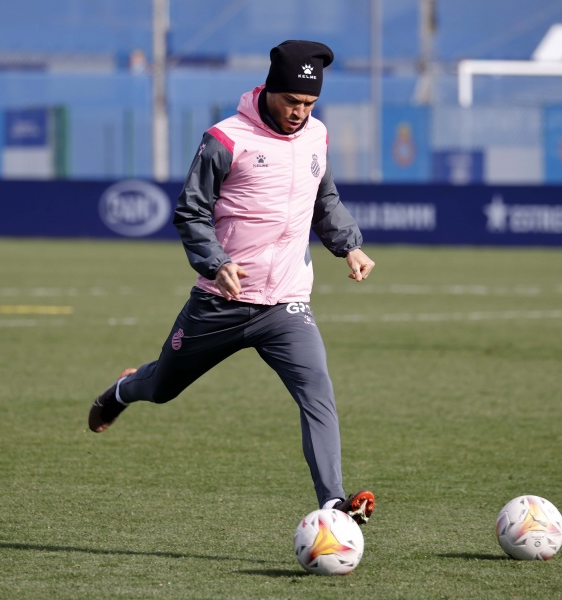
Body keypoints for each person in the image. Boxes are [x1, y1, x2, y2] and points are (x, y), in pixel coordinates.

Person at [88, 40, 376, 525]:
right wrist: (216, 262)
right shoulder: (225, 139)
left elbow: (323, 200)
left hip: (286, 304)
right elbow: (191, 211)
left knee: (318, 394)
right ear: (269, 90)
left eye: (309, 103)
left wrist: (350, 245)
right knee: (161, 387)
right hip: (220, 303)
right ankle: (121, 390)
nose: (299, 113)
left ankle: (332, 505)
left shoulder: (317, 135)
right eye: (292, 101)